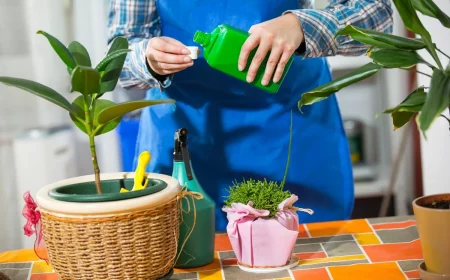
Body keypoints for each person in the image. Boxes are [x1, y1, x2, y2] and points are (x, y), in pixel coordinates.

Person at [107, 0, 393, 231]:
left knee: (305, 256)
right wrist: (146, 57)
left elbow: (376, 15)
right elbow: (119, 56)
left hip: (289, 122)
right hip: (188, 130)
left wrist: (301, 26)